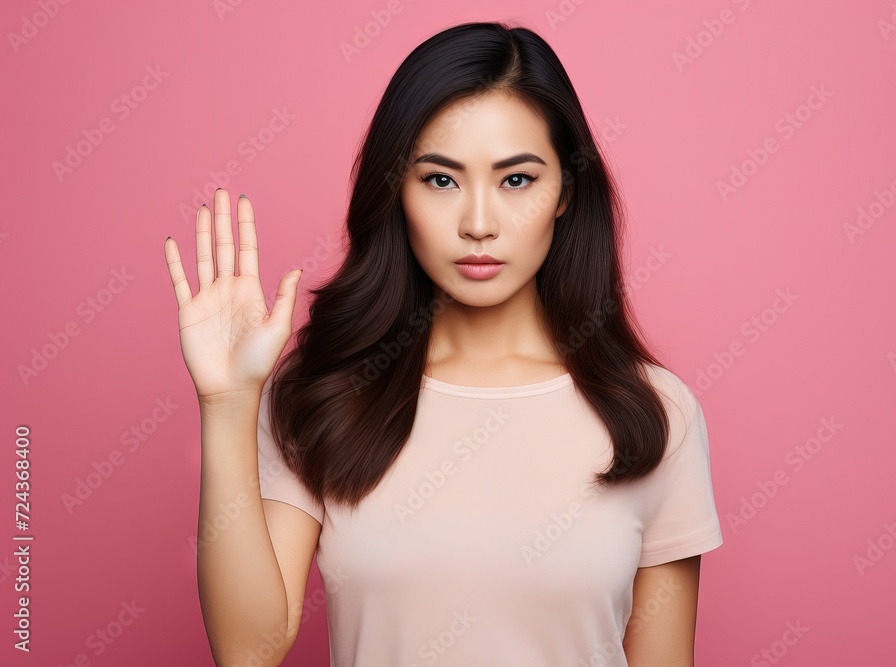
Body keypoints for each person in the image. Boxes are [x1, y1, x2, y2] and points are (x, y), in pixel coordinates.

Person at [163, 20, 723, 667]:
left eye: (517, 180)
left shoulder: (655, 412)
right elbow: (247, 649)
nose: (478, 223)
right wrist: (228, 401)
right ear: (395, 191)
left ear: (566, 191)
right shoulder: (326, 393)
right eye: (440, 179)